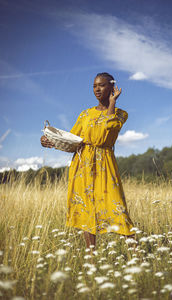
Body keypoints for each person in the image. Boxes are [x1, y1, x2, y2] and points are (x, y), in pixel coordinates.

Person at [41, 72, 135, 252]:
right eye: (94, 86)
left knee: (117, 208)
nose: (97, 89)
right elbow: (71, 138)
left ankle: (137, 257)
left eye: (101, 85)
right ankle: (90, 258)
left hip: (105, 164)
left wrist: (113, 102)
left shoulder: (121, 113)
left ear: (111, 87)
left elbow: (109, 128)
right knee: (86, 210)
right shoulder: (84, 114)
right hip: (82, 164)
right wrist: (49, 141)